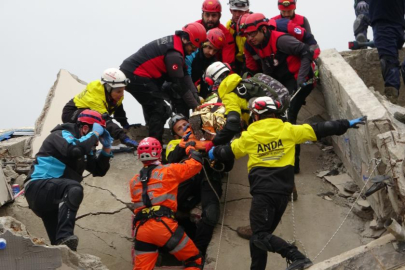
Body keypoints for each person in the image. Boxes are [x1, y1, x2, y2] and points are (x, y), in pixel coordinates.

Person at [208, 96, 367, 270]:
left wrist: (212, 151)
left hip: (263, 193)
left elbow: (228, 152)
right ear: (275, 115)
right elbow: (320, 128)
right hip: (283, 192)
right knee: (259, 237)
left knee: (259, 235)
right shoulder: (289, 130)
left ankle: (296, 256)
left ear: (255, 116)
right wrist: (346, 123)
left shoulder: (249, 137)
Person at [24, 110, 113, 251]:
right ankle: (65, 235)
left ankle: (63, 245)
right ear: (85, 129)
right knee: (74, 188)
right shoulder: (60, 134)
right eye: (98, 135)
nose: (97, 142)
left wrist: (107, 148)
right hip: (38, 188)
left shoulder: (83, 146)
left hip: (54, 195)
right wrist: (95, 134)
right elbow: (75, 149)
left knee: (63, 250)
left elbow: (99, 170)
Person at [242, 13, 316, 175]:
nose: (250, 38)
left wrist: (302, 78)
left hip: (299, 79)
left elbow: (306, 52)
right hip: (283, 81)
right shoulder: (258, 44)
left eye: (253, 34)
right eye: (247, 35)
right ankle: (279, 158)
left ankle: (293, 165)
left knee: (289, 117)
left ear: (263, 29)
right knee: (276, 115)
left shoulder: (281, 40)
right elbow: (266, 65)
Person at [120, 22, 207, 143]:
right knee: (160, 109)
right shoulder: (174, 54)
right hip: (135, 74)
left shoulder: (177, 47)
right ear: (186, 39)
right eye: (193, 47)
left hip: (139, 74)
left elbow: (185, 75)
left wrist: (195, 95)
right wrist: (195, 106)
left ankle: (151, 138)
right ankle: (154, 146)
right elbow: (179, 84)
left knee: (153, 105)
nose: (193, 50)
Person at [129, 137, 204, 270]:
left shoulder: (134, 181)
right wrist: (190, 148)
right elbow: (196, 164)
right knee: (194, 260)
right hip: (163, 225)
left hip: (141, 230)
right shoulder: (169, 170)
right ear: (158, 152)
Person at [166, 114, 227, 257]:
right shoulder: (174, 143)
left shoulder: (206, 137)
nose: (184, 128)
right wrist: (184, 144)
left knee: (211, 213)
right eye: (179, 128)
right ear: (176, 135)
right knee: (167, 208)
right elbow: (170, 160)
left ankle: (198, 253)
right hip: (187, 177)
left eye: (185, 124)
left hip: (208, 175)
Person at [62, 68, 139, 148]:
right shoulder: (96, 98)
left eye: (123, 90)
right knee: (95, 120)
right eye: (119, 91)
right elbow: (105, 121)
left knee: (98, 122)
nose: (122, 94)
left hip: (89, 111)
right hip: (71, 113)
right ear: (108, 88)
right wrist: (124, 138)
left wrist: (125, 125)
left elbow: (118, 109)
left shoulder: (115, 94)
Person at [369, 0, 405, 105]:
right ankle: (392, 99)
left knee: (390, 63)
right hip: (388, 22)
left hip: (392, 24)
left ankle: (391, 100)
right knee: (389, 63)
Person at [185, 28, 227, 100]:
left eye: (215, 50)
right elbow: (186, 78)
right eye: (209, 47)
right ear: (204, 43)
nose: (211, 53)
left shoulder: (214, 61)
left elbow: (211, 84)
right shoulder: (191, 54)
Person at [197, 0, 236, 69]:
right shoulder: (195, 28)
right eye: (207, 15)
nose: (210, 19)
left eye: (214, 15)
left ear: (219, 16)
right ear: (202, 15)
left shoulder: (226, 35)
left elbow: (228, 64)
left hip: (216, 70)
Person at [225, 0, 250, 74]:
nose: (237, 14)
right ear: (230, 10)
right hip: (236, 63)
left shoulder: (254, 23)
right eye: (235, 11)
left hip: (253, 61)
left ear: (247, 11)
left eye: (240, 11)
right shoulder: (229, 26)